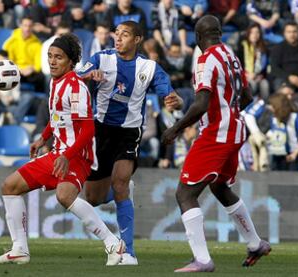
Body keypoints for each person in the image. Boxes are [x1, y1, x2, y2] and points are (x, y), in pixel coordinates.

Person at [0, 33, 125, 265]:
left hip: (77, 156)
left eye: (58, 57)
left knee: (65, 195)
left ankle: (113, 243)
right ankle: (20, 249)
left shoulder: (76, 88)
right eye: (50, 56)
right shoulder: (54, 82)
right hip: (57, 153)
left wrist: (67, 155)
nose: (52, 61)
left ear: (71, 61)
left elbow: (88, 130)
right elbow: (56, 118)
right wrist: (42, 138)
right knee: (10, 186)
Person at [161, 15, 271, 273]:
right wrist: (228, 112)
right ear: (219, 33)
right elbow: (247, 95)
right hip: (235, 130)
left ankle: (202, 259)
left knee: (185, 194)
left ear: (198, 38)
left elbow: (200, 104)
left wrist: (176, 129)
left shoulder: (205, 60)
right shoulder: (230, 55)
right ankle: (255, 243)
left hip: (215, 134)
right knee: (220, 187)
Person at [79, 20, 182, 265]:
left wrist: (173, 100)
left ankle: (129, 253)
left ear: (137, 39)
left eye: (124, 34)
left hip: (129, 132)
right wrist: (87, 77)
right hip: (100, 131)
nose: (118, 38)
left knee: (121, 182)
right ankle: (118, 193)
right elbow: (75, 80)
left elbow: (168, 92)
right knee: (92, 198)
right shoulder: (101, 58)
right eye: (117, 34)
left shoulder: (149, 67)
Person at [3, 16, 45, 92]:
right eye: (25, 25)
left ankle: (40, 100)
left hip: (30, 72)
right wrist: (19, 69)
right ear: (21, 26)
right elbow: (7, 61)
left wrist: (32, 69)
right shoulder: (11, 42)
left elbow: (38, 63)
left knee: (42, 77)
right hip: (15, 71)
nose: (27, 29)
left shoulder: (37, 43)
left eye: (30, 26)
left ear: (33, 27)